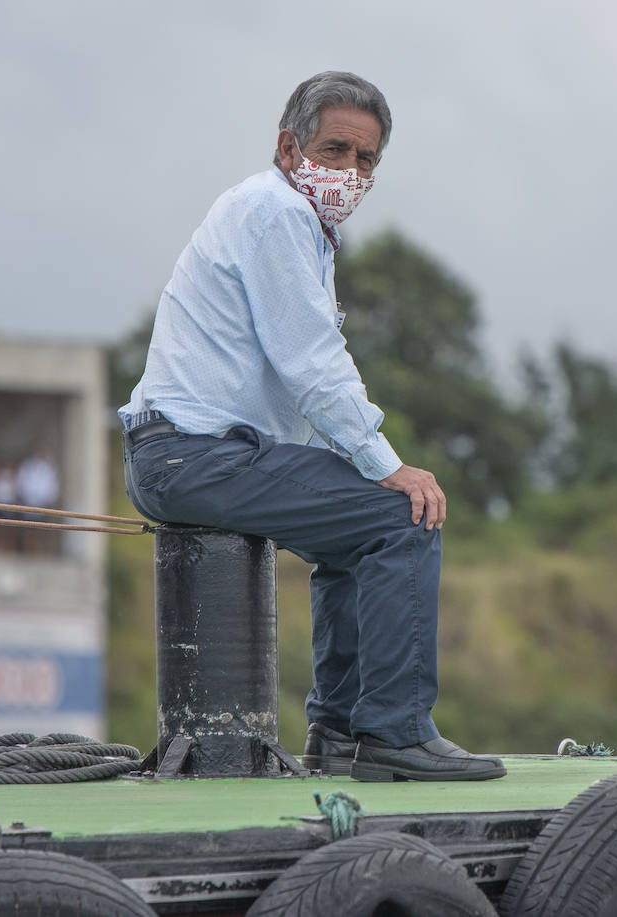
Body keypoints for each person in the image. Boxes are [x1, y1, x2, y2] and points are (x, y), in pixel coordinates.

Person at [118, 71, 504, 782]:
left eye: (366, 161)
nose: (349, 172)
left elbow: (293, 377)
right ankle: (394, 732)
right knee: (402, 516)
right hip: (196, 456)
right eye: (335, 150)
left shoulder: (293, 223)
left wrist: (358, 463)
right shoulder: (276, 212)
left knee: (355, 533)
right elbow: (312, 362)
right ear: (288, 145)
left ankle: (339, 730)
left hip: (186, 456)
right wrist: (387, 463)